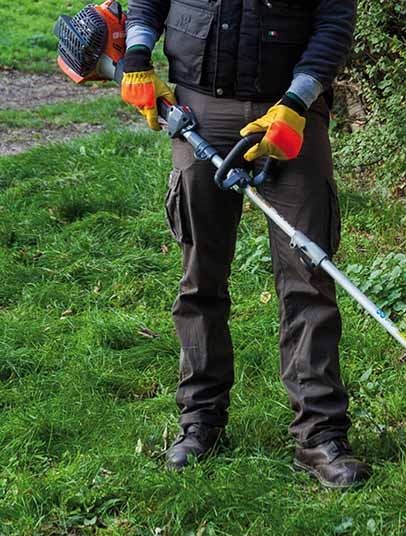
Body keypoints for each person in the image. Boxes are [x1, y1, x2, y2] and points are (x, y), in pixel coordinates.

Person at [120, 0, 369, 488]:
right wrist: (136, 57)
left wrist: (298, 102)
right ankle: (200, 420)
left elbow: (334, 22)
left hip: (291, 113)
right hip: (199, 106)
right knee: (200, 276)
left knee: (308, 279)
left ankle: (319, 435)